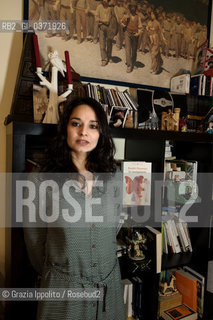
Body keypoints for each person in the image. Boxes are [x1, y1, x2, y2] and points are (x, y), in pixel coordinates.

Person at [23, 97, 126, 320]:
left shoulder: (114, 178)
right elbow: (34, 242)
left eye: (93, 126)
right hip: (63, 294)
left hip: (109, 290)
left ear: (101, 133)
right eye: (76, 123)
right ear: (65, 129)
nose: (84, 132)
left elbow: (115, 226)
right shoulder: (40, 180)